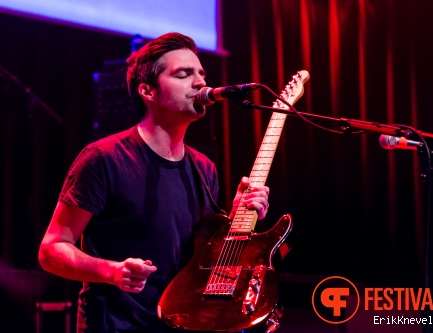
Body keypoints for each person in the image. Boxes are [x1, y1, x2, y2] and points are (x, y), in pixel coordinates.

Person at [38, 32, 270, 333]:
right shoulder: (103, 158)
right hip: (116, 325)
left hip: (181, 324)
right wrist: (112, 271)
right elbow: (51, 249)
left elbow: (199, 260)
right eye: (184, 74)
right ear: (147, 91)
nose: (200, 82)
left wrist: (236, 216)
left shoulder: (204, 168)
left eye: (201, 73)